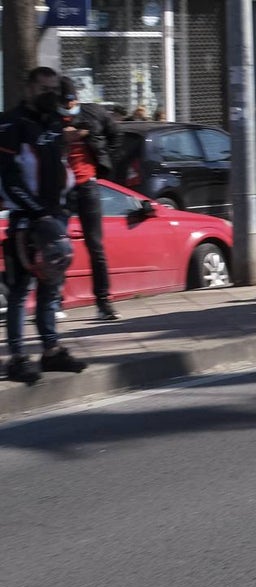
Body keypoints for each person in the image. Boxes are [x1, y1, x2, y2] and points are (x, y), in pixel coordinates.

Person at [0, 66, 88, 383]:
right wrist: (38, 213)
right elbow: (8, 180)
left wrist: (65, 205)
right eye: (43, 88)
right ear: (28, 88)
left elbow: (59, 164)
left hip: (56, 217)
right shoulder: (11, 124)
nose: (49, 94)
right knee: (21, 290)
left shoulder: (53, 122)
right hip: (28, 220)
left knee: (51, 288)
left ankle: (51, 352)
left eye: (53, 88)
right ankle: (16, 358)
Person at [58, 76, 121, 321]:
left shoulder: (92, 114)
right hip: (61, 189)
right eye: (65, 102)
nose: (69, 106)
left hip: (87, 185)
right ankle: (55, 301)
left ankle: (103, 301)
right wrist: (62, 137)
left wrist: (104, 161)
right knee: (59, 246)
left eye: (72, 101)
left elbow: (115, 133)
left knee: (96, 246)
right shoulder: (51, 120)